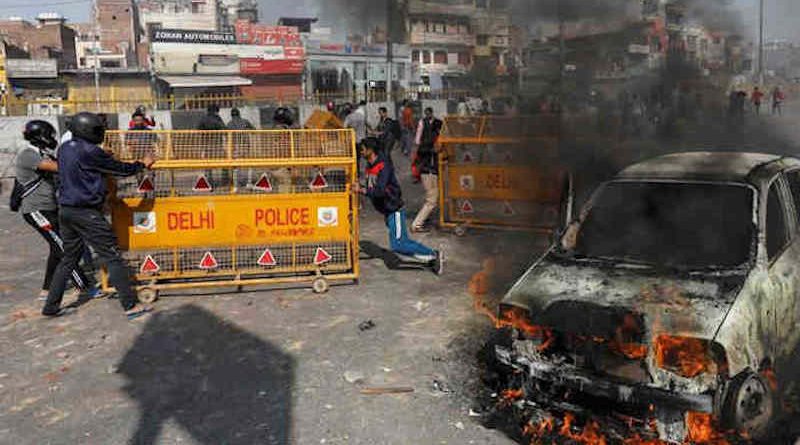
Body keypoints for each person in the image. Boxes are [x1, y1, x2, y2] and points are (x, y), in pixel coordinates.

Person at [43, 112, 155, 320]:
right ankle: (131, 305)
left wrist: (103, 155)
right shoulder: (90, 151)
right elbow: (121, 169)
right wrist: (143, 163)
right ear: (86, 131)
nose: (100, 134)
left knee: (68, 259)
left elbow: (88, 165)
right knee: (112, 255)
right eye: (97, 130)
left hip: (66, 210)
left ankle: (50, 306)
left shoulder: (66, 147)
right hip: (86, 213)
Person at [16, 120, 100, 301]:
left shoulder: (43, 153)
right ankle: (84, 286)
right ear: (39, 136)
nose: (52, 138)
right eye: (49, 135)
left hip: (50, 208)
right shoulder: (28, 155)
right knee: (65, 248)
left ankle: (46, 290)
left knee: (56, 248)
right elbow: (60, 168)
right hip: (36, 210)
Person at [354, 137, 443, 275]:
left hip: (394, 209)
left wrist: (362, 190)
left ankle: (433, 254)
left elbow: (380, 190)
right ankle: (429, 258)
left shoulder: (383, 165)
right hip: (387, 210)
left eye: (363, 148)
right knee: (403, 241)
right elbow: (373, 186)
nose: (361, 150)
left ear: (371, 150)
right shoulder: (369, 166)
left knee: (398, 244)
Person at [412, 107, 443, 232]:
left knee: (432, 198)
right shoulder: (428, 146)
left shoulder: (429, 145)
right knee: (431, 200)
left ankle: (424, 220)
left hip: (429, 172)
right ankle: (417, 224)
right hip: (428, 172)